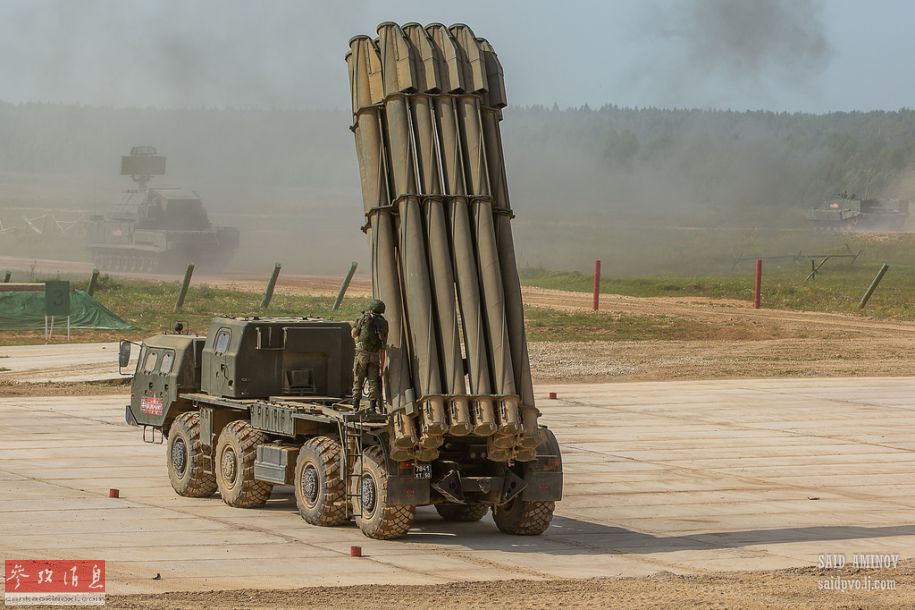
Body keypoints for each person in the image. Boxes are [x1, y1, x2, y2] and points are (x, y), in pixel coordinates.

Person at [351, 299, 388, 412]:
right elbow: (383, 347)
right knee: (373, 382)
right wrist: (382, 367)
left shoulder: (364, 318)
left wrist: (355, 327)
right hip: (375, 356)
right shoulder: (384, 323)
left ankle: (355, 407)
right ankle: (372, 407)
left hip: (362, 354)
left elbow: (354, 334)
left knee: (358, 380)